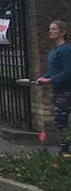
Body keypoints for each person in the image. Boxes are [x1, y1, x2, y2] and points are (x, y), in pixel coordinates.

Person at [36, 19, 71, 157]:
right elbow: (55, 71)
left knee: (61, 120)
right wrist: (44, 77)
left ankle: (65, 151)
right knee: (60, 121)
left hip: (67, 90)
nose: (51, 31)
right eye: (50, 29)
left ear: (62, 32)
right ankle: (64, 150)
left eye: (54, 29)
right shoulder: (54, 50)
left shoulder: (66, 49)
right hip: (58, 90)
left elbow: (68, 71)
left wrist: (51, 79)